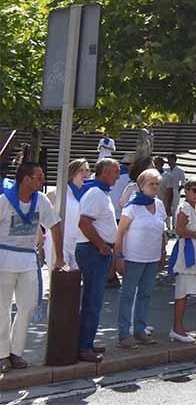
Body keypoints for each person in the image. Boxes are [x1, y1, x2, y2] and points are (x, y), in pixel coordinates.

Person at [0, 162, 64, 371]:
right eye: (39, 177)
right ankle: (1, 354)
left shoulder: (41, 200)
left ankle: (15, 352)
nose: (43, 181)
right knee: (2, 308)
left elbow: (54, 225)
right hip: (4, 257)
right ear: (26, 179)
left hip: (28, 259)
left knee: (28, 307)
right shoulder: (4, 201)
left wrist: (59, 258)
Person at [113, 169, 167, 349]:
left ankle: (140, 330)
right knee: (128, 295)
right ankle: (124, 334)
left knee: (145, 294)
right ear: (141, 185)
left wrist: (162, 251)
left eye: (157, 184)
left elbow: (162, 230)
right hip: (133, 258)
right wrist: (119, 257)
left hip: (152, 258)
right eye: (151, 183)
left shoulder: (159, 205)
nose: (155, 187)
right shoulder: (132, 206)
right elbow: (120, 233)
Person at [76, 157, 121, 362]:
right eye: (115, 172)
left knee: (94, 300)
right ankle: (84, 347)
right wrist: (102, 245)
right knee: (92, 300)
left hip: (97, 251)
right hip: (94, 251)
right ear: (104, 173)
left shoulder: (100, 193)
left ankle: (88, 342)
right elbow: (84, 223)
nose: (118, 176)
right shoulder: (95, 193)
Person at [169, 178, 196, 343]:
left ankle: (179, 327)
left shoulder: (193, 207)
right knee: (182, 293)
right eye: (195, 190)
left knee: (185, 294)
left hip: (195, 254)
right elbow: (179, 230)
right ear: (186, 191)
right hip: (186, 256)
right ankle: (177, 329)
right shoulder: (185, 207)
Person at [47, 158, 89, 271]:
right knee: (59, 280)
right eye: (81, 170)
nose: (85, 174)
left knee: (75, 281)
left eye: (87, 170)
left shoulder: (88, 194)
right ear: (72, 172)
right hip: (60, 243)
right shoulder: (58, 192)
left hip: (78, 243)